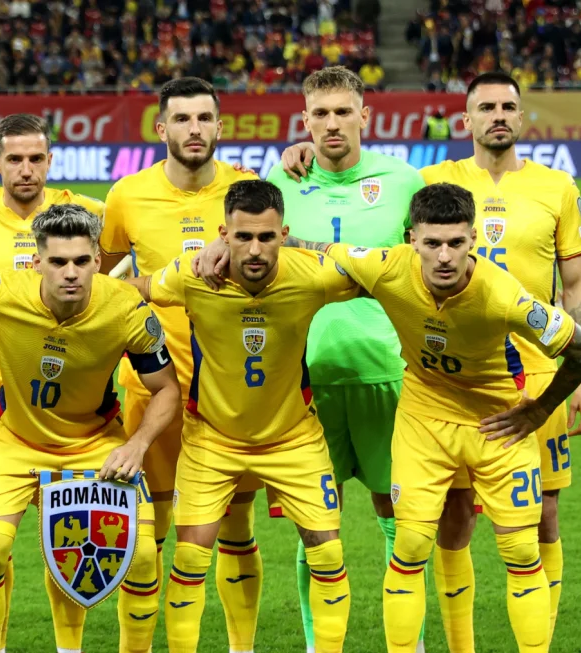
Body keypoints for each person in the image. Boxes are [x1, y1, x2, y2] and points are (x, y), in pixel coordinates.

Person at [278, 70, 581, 650]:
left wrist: (556, 398)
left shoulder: (506, 260)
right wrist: (304, 160)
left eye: (456, 242)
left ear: (473, 240)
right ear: (412, 238)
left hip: (497, 389)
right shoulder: (404, 203)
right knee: (385, 535)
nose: (443, 254)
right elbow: (324, 247)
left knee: (529, 531)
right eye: (432, 243)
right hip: (390, 397)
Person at [194, 65, 427, 653]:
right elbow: (243, 232)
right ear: (304, 120)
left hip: (387, 372)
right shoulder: (282, 178)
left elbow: (427, 265)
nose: (332, 123)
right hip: (304, 384)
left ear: (364, 116)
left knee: (400, 521)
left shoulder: (403, 181)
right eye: (320, 114)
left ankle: (410, 645)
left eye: (343, 111)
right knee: (316, 529)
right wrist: (219, 242)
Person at [131, 180, 358, 652]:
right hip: (212, 437)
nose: (255, 250)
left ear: (284, 236)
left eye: (267, 237)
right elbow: (139, 289)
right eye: (242, 237)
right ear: (223, 234)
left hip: (293, 436)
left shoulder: (313, 275)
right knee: (190, 558)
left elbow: (390, 273)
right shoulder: (193, 275)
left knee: (328, 552)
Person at [0, 203, 180, 653]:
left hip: (94, 442)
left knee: (143, 556)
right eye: (57, 262)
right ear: (37, 262)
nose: (70, 273)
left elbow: (166, 389)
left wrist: (137, 444)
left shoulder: (126, 309)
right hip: (14, 441)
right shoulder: (1, 293)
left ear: (97, 260)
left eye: (80, 261)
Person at [420, 71, 581, 650]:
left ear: (521, 117)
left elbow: (577, 284)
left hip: (539, 374)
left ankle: (539, 642)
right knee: (456, 515)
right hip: (458, 376)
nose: (498, 115)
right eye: (486, 107)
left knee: (544, 514)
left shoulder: (556, 186)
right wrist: (298, 155)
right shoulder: (431, 181)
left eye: (507, 107)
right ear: (465, 119)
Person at [97, 77, 261, 653]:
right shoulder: (126, 196)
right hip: (153, 389)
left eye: (205, 118)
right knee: (149, 536)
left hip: (231, 392)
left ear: (220, 126)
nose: (195, 129)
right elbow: (103, 282)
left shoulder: (247, 189)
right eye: (183, 119)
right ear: (161, 128)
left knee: (235, 526)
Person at [0, 113, 106, 652]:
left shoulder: (86, 213)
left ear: (50, 161)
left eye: (36, 158)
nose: (26, 169)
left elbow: (122, 264)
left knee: (68, 536)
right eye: (14, 159)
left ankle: (69, 647)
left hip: (68, 406)